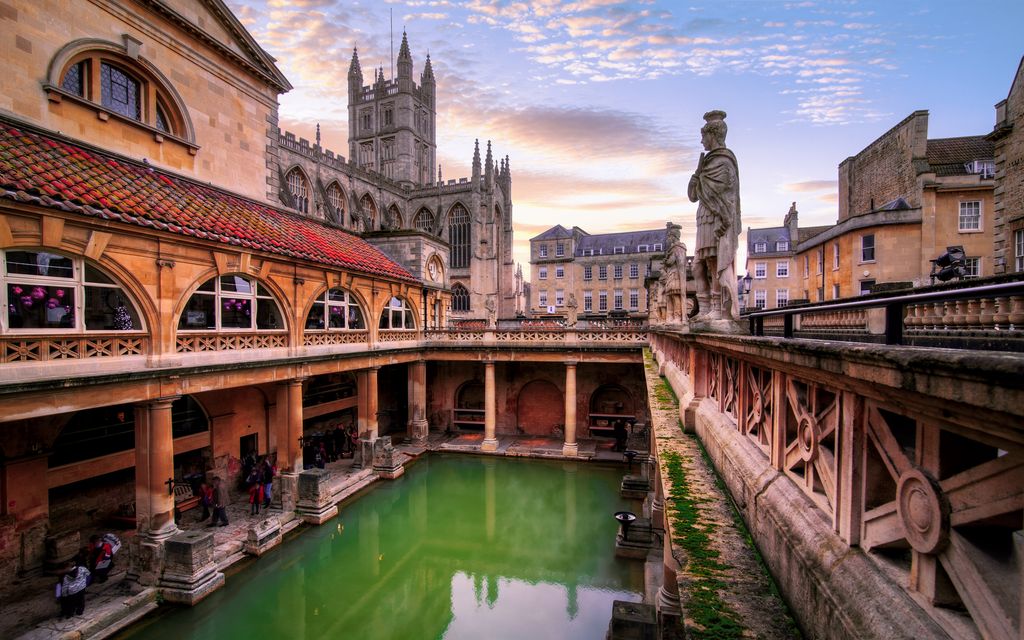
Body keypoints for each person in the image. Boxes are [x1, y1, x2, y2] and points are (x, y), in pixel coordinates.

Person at [688, 110, 741, 321]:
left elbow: (728, 196)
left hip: (716, 218)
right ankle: (706, 309)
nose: (701, 140)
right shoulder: (707, 163)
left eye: (703, 136)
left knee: (714, 262)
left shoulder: (724, 161)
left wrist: (725, 220)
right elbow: (693, 195)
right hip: (704, 216)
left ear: (713, 135)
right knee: (700, 265)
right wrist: (696, 175)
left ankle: (718, 310)